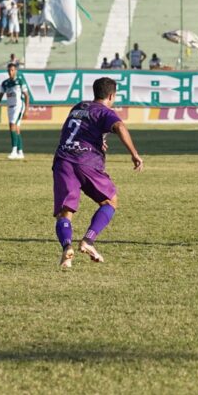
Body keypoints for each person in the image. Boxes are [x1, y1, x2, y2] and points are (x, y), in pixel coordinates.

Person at [52, 77, 143, 267]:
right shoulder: (104, 111)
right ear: (111, 95)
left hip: (63, 159)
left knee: (65, 211)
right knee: (110, 201)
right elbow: (119, 126)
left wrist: (97, 139)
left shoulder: (79, 106)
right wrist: (134, 154)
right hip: (86, 161)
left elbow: (74, 130)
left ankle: (67, 247)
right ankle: (88, 240)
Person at [0, 62, 29, 160]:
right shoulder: (5, 83)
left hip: (19, 106)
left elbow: (26, 95)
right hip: (10, 107)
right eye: (9, 70)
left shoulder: (20, 81)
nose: (10, 72)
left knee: (12, 126)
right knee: (16, 129)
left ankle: (14, 151)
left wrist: (26, 110)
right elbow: (0, 96)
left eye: (12, 70)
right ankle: (20, 152)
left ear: (15, 71)